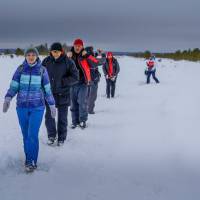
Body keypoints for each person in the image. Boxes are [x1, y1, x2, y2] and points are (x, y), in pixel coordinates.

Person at [3, 47, 56, 172]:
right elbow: (14, 86)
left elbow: (47, 89)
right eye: (29, 55)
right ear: (25, 56)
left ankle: (32, 161)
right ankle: (28, 158)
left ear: (37, 56)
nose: (31, 57)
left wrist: (52, 104)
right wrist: (8, 98)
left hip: (37, 107)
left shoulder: (42, 70)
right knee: (25, 135)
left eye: (33, 55)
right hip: (21, 107)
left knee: (32, 134)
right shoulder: (20, 69)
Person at [42, 43, 79, 146]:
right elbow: (40, 75)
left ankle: (61, 138)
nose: (55, 53)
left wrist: (63, 82)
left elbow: (75, 77)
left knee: (62, 118)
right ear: (51, 51)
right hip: (49, 95)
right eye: (54, 51)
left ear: (61, 51)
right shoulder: (46, 61)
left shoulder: (68, 62)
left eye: (57, 51)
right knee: (49, 117)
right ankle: (51, 136)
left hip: (63, 94)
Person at [67, 39, 105, 129]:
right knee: (73, 104)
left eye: (79, 46)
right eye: (76, 45)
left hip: (83, 83)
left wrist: (87, 55)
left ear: (82, 47)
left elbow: (99, 62)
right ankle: (74, 121)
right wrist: (67, 57)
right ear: (73, 46)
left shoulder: (85, 56)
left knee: (82, 103)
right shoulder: (69, 56)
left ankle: (82, 121)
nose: (77, 47)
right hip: (71, 84)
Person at [86, 47, 102, 114]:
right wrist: (101, 54)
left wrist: (99, 53)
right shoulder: (90, 58)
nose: (93, 51)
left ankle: (87, 108)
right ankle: (89, 110)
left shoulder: (88, 57)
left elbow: (98, 60)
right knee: (92, 95)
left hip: (89, 79)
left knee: (88, 95)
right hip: (92, 79)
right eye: (92, 50)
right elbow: (100, 62)